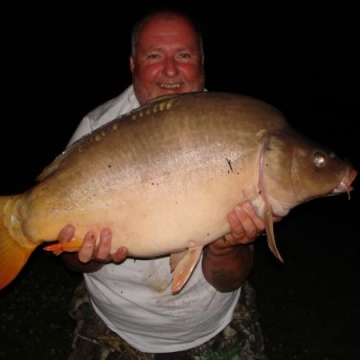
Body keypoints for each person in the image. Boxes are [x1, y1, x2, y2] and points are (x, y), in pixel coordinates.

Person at [58, 6, 272, 360]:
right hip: (115, 325)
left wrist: (226, 247)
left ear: (202, 62)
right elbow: (72, 263)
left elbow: (228, 278)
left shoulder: (235, 129)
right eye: (154, 56)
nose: (170, 70)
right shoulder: (96, 130)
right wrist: (88, 257)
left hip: (211, 323)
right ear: (132, 65)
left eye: (184, 55)